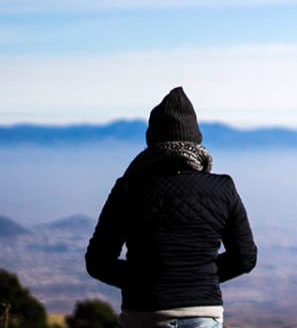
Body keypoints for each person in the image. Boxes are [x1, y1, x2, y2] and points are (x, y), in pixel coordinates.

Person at [86, 87, 257, 328]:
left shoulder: (128, 188)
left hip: (144, 313)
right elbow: (245, 258)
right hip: (203, 314)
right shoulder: (223, 188)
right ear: (196, 138)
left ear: (151, 141)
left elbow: (97, 262)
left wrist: (146, 279)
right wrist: (198, 275)